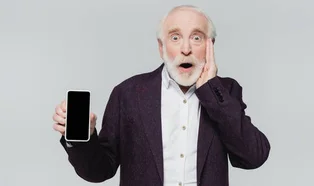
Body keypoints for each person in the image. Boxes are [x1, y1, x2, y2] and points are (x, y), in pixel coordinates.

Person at [51, 5, 271, 186]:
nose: (186, 48)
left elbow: (253, 156)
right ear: (161, 47)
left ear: (209, 45)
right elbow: (99, 171)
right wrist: (83, 139)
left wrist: (212, 90)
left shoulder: (226, 91)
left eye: (196, 38)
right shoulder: (128, 93)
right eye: (175, 38)